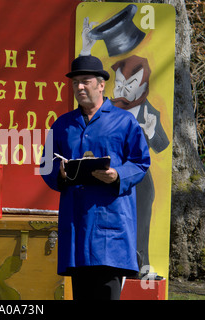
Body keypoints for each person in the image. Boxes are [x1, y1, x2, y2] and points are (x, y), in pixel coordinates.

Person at [40, 55, 150, 300]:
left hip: (110, 225)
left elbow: (140, 163)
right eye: (75, 82)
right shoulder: (62, 125)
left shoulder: (124, 122)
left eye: (85, 81)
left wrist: (117, 174)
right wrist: (58, 172)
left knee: (107, 293)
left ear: (101, 85)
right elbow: (46, 165)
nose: (79, 87)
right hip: (77, 222)